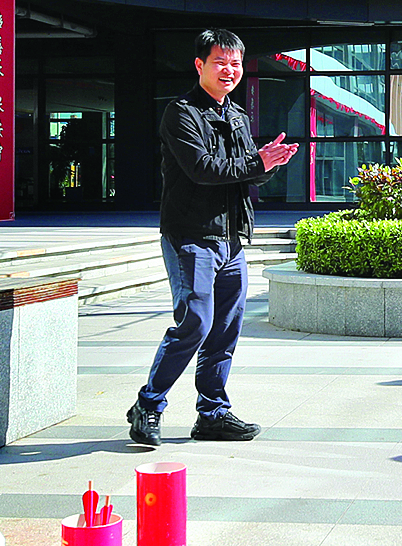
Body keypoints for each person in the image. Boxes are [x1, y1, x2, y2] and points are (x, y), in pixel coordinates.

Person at [127, 29, 297, 448]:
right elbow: (203, 169)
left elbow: (244, 173)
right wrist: (257, 162)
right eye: (220, 61)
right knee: (196, 323)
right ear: (199, 65)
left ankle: (213, 414)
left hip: (231, 238)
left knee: (224, 330)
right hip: (191, 236)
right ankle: (148, 404)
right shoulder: (181, 113)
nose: (229, 70)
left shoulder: (237, 115)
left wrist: (269, 163)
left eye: (236, 63)